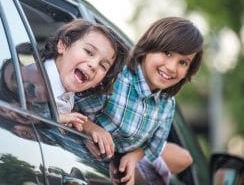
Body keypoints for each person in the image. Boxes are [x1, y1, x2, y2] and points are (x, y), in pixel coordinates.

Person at [74, 16, 203, 184]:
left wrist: (135, 156)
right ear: (148, 47)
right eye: (167, 53)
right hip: (83, 158)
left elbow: (153, 145)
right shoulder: (116, 79)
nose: (172, 67)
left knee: (184, 158)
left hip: (114, 168)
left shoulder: (167, 104)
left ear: (188, 71)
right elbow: (68, 107)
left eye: (183, 62)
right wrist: (92, 129)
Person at [0, 19, 128, 131]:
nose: (93, 65)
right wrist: (55, 118)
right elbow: (25, 112)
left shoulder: (69, 95)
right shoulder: (39, 80)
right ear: (63, 45)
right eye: (89, 52)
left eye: (103, 66)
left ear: (100, 81)